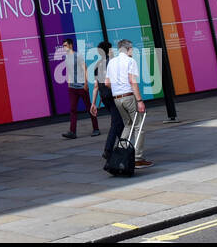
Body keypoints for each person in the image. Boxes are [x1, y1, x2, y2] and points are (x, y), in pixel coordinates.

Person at [106, 40, 151, 169]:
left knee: (128, 124)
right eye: (132, 49)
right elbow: (132, 81)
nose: (132, 51)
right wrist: (139, 100)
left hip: (117, 98)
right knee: (139, 126)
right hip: (129, 97)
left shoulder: (112, 62)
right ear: (128, 49)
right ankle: (137, 158)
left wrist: (118, 89)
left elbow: (107, 83)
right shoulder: (130, 61)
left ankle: (121, 153)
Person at [90, 41, 124, 163]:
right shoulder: (113, 62)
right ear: (109, 49)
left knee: (119, 122)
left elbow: (95, 87)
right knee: (116, 123)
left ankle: (125, 146)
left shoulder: (97, 65)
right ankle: (108, 149)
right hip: (114, 96)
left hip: (104, 98)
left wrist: (93, 103)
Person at [58, 39, 99, 139]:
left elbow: (85, 69)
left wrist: (85, 83)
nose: (64, 47)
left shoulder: (78, 56)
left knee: (89, 107)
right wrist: (68, 82)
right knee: (72, 109)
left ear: (71, 45)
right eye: (63, 46)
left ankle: (96, 129)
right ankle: (72, 132)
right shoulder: (67, 57)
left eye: (66, 45)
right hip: (72, 87)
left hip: (81, 86)